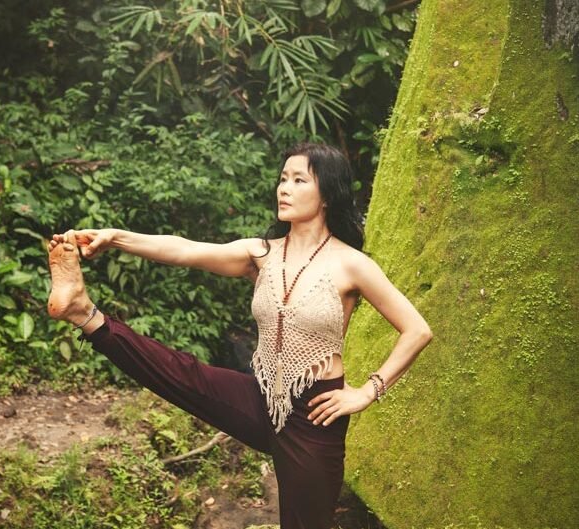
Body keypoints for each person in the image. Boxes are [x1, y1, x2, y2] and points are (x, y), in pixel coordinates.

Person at [46, 142, 433, 529]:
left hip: (314, 416)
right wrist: (116, 237)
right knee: (181, 373)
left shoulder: (352, 264)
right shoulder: (260, 254)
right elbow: (185, 250)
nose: (284, 188)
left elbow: (416, 330)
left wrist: (367, 392)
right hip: (260, 397)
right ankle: (83, 312)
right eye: (283, 179)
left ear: (327, 194)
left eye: (299, 180)